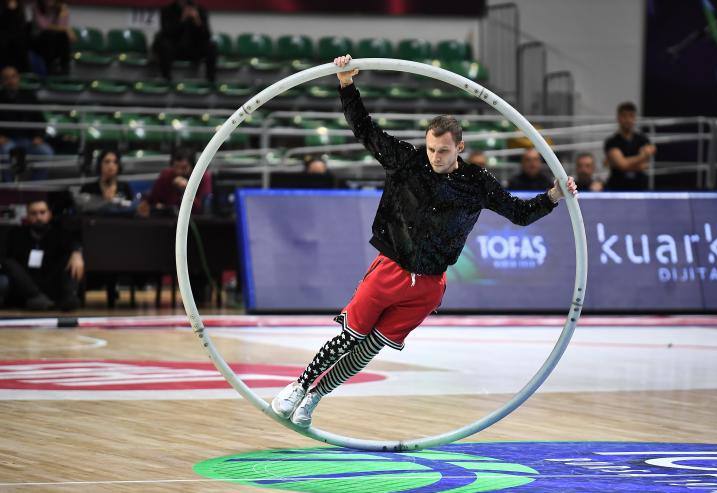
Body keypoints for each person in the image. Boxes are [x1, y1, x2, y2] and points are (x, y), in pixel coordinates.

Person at [271, 54, 578, 428]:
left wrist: (553, 196)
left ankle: (315, 399)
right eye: (432, 148)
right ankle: (298, 386)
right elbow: (365, 130)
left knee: (367, 350)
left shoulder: (478, 182)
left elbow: (519, 213)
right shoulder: (407, 160)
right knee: (350, 336)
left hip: (429, 286)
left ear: (459, 148)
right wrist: (347, 84)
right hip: (390, 269)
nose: (435, 156)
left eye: (443, 150)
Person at [0, 199, 83, 310]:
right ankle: (37, 298)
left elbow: (73, 242)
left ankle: (68, 298)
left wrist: (77, 254)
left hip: (51, 281)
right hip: (25, 285)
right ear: (28, 216)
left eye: (42, 212)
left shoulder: (59, 233)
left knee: (71, 258)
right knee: (8, 262)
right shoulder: (16, 235)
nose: (38, 217)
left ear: (49, 214)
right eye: (34, 213)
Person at [0, 66, 54, 178]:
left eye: (13, 77)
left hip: (29, 140)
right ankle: (9, 187)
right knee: (5, 151)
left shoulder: (29, 96)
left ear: (18, 78)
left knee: (46, 152)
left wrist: (39, 136)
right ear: (2, 81)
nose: (11, 81)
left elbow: (40, 120)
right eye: (7, 78)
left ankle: (35, 186)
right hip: (8, 140)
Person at [152, 0, 217, 83]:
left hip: (192, 49)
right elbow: (167, 33)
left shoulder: (200, 10)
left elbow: (207, 36)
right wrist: (182, 19)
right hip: (175, 49)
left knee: (212, 46)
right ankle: (166, 79)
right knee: (164, 44)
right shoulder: (167, 10)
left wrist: (198, 21)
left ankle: (210, 80)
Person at [137, 147, 211, 217]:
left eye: (183, 168)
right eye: (176, 167)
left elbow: (200, 210)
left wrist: (187, 190)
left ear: (192, 167)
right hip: (169, 221)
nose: (179, 172)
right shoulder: (166, 175)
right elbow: (153, 200)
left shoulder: (202, 177)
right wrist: (146, 205)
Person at [603, 102, 656, 191]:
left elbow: (644, 165)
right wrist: (641, 157)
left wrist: (622, 163)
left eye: (631, 116)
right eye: (624, 116)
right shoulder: (611, 142)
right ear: (618, 118)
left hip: (640, 187)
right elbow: (622, 164)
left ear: (635, 118)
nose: (628, 119)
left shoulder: (643, 140)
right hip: (617, 187)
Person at [31, 0, 75, 75]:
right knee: (49, 35)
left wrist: (62, 12)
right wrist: (66, 30)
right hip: (40, 41)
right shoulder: (36, 7)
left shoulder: (61, 8)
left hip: (56, 43)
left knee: (62, 36)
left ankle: (65, 67)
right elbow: (43, 26)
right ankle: (50, 67)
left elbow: (62, 26)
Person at [0, 0, 30, 71]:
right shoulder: (2, 7)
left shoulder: (22, 7)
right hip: (4, 37)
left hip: (18, 39)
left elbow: (23, 26)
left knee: (20, 43)